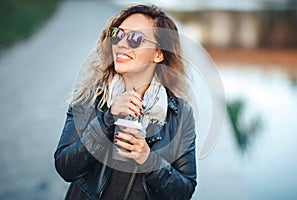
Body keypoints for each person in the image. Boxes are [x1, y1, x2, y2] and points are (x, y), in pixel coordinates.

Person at [54, 4, 197, 200]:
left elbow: (184, 190)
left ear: (158, 53)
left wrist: (149, 160)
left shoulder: (180, 113)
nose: (121, 44)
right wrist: (107, 119)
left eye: (136, 38)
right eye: (118, 34)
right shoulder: (90, 97)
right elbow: (65, 167)